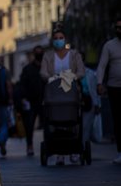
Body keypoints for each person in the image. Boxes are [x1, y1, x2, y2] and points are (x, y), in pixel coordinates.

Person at [40, 26, 85, 166]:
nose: (58, 41)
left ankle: (74, 151)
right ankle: (59, 153)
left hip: (71, 91)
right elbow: (43, 72)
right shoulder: (48, 56)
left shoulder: (74, 54)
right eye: (56, 38)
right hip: (54, 92)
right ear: (52, 41)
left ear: (65, 39)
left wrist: (71, 77)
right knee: (53, 120)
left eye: (61, 38)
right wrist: (52, 78)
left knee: (74, 120)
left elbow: (81, 71)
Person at [96, 17, 121, 164]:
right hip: (114, 88)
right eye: (117, 27)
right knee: (118, 120)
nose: (119, 30)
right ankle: (120, 151)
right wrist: (99, 83)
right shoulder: (109, 46)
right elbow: (101, 66)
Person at [19, 46, 46, 156]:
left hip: (44, 101)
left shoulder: (46, 68)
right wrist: (23, 98)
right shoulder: (28, 69)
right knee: (29, 125)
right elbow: (22, 85)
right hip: (31, 101)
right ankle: (29, 146)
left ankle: (47, 144)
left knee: (47, 124)